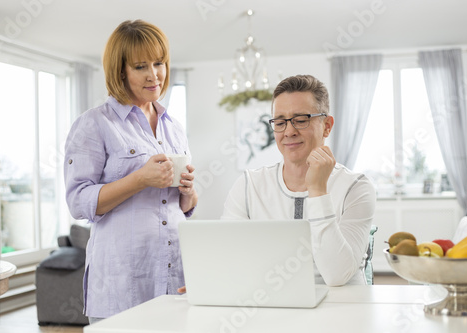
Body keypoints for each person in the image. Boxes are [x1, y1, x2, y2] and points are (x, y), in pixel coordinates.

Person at [64, 20, 197, 323]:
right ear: (120, 71)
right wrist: (139, 179)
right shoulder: (95, 124)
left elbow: (183, 207)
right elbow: (78, 202)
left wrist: (189, 191)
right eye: (140, 66)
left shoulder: (173, 127)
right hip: (122, 283)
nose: (155, 75)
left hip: (175, 276)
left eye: (159, 63)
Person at [221, 74, 376, 286]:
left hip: (341, 310)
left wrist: (318, 189)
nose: (289, 131)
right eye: (280, 122)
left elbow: (337, 274)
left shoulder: (356, 187)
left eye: (301, 120)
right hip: (275, 307)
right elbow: (229, 257)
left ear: (327, 126)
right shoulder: (249, 186)